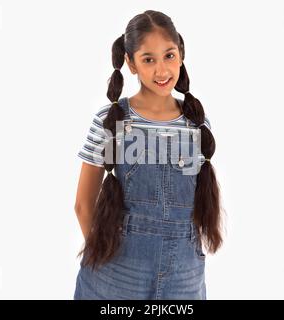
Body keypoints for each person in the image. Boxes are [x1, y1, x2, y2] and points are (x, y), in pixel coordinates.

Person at [74, 10, 224, 300]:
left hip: (184, 273)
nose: (162, 70)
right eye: (148, 59)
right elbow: (83, 204)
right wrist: (105, 256)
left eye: (169, 55)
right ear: (130, 63)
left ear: (181, 53)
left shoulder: (198, 123)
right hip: (118, 271)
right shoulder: (111, 119)